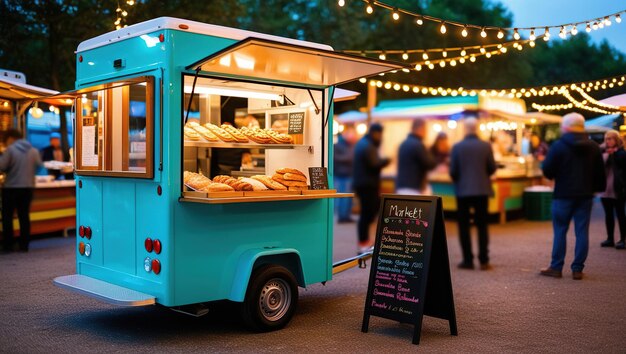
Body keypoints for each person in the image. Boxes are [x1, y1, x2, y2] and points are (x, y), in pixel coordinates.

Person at [540, 113, 606, 280]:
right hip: (585, 195)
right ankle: (577, 269)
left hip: (563, 194)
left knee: (560, 231)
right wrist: (598, 188)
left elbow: (547, 169)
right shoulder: (593, 146)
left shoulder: (559, 145)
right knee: (582, 231)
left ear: (566, 127)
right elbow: (600, 172)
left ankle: (556, 267)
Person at [450, 118, 497, 270]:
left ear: (465, 129)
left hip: (463, 191)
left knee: (464, 226)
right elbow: (491, 168)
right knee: (482, 225)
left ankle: (468, 260)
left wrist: (460, 179)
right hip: (482, 190)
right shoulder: (486, 146)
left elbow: (453, 171)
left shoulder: (457, 147)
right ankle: (484, 260)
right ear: (476, 129)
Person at [0, 129, 42, 252]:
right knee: (24, 216)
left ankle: (8, 245)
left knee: (7, 217)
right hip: (27, 188)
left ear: (11, 138)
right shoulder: (33, 150)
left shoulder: (10, 150)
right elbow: (39, 165)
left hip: (11, 188)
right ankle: (24, 245)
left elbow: (2, 166)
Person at [353, 123, 390, 254]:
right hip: (367, 184)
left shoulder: (363, 143)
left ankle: (364, 242)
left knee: (367, 214)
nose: (381, 137)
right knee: (366, 214)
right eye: (380, 134)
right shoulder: (368, 145)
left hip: (363, 183)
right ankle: (363, 243)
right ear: (375, 133)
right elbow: (374, 164)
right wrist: (387, 161)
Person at [598, 130, 626, 249]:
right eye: (606, 139)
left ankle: (623, 239)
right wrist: (606, 152)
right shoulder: (603, 152)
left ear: (616, 140)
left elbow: (622, 165)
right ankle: (610, 238)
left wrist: (613, 154)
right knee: (608, 214)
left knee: (620, 214)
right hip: (605, 188)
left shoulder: (621, 153)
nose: (608, 141)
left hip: (618, 188)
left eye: (610, 139)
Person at [396, 118, 436, 195]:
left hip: (401, 186)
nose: (426, 132)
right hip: (414, 188)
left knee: (404, 207)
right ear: (421, 128)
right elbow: (429, 163)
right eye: (425, 129)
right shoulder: (418, 145)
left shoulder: (403, 144)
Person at [334, 129, 355, 223]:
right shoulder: (337, 146)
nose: (353, 138)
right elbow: (335, 158)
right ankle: (342, 216)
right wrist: (349, 158)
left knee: (348, 198)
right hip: (340, 175)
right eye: (352, 136)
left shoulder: (350, 145)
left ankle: (346, 216)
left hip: (349, 174)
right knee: (343, 197)